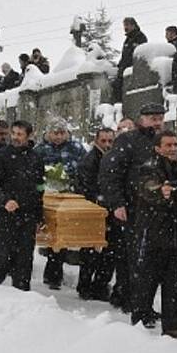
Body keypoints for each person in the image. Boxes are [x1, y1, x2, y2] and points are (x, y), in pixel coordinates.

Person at [99, 103, 165, 316]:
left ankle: (143, 303)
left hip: (158, 211)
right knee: (133, 258)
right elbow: (110, 173)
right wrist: (117, 203)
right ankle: (132, 301)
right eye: (153, 118)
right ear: (142, 119)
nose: (157, 122)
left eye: (160, 118)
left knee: (150, 260)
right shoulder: (127, 141)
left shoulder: (164, 141)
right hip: (132, 209)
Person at [133, 130, 177, 338]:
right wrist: (161, 191)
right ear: (158, 148)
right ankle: (140, 319)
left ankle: (174, 326)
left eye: (175, 144)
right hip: (154, 234)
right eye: (168, 145)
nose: (173, 148)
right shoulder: (149, 167)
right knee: (148, 280)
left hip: (176, 234)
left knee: (175, 284)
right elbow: (148, 187)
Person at [0, 120, 45, 291]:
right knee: (2, 252)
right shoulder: (0, 156)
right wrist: (4, 200)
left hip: (27, 214)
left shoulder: (36, 158)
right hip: (5, 213)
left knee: (24, 257)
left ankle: (22, 290)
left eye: (20, 134)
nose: (16, 137)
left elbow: (40, 188)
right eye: (14, 133)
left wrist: (39, 215)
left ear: (28, 136)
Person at [33, 118, 86, 288]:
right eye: (55, 133)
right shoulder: (40, 150)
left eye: (62, 133)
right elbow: (33, 171)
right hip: (47, 196)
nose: (58, 136)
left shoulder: (76, 149)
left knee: (62, 236)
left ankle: (55, 273)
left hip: (68, 196)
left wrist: (73, 183)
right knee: (49, 234)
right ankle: (51, 270)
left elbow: (84, 170)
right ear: (48, 133)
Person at [75, 127, 117, 301]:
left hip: (109, 209)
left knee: (109, 251)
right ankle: (85, 286)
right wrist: (99, 203)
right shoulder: (89, 160)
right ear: (96, 141)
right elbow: (86, 187)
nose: (107, 144)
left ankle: (100, 285)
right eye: (103, 141)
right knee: (91, 251)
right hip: (94, 210)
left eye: (110, 141)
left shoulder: (113, 158)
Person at [112, 17, 148, 103]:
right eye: (124, 25)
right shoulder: (128, 40)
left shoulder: (139, 37)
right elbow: (124, 56)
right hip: (123, 70)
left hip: (132, 69)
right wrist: (119, 67)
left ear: (133, 25)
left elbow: (139, 54)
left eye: (127, 25)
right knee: (116, 86)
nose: (125, 28)